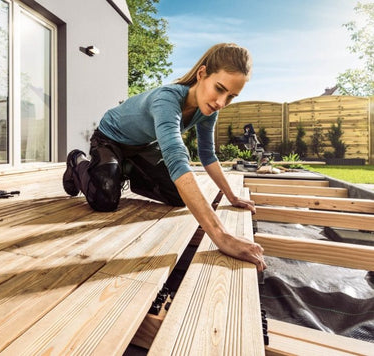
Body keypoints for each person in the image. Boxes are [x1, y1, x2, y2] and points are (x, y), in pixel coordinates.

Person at [63, 43, 267, 272]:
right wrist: (222, 236)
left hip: (142, 147)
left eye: (231, 96)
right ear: (202, 74)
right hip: (110, 139)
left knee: (178, 196)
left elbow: (208, 154)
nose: (221, 102)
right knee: (105, 198)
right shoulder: (167, 100)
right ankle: (78, 162)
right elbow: (176, 157)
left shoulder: (208, 110)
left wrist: (231, 196)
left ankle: (125, 170)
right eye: (219, 88)